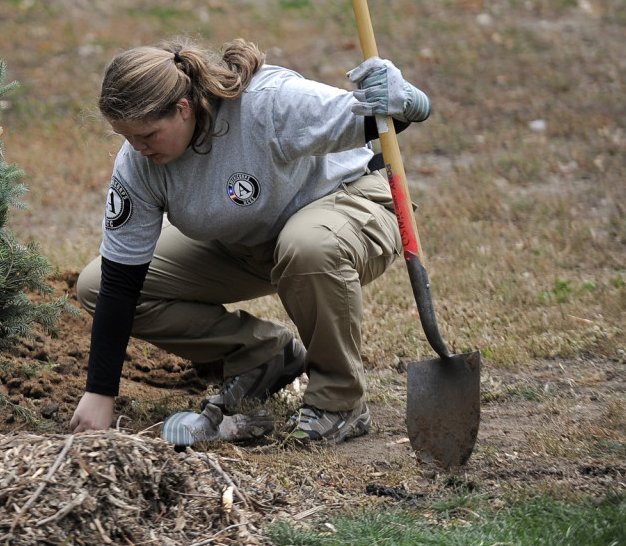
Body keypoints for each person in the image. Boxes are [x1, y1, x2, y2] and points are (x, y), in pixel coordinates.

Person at [68, 38, 433, 446]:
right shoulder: (139, 161)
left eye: (147, 134)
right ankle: (264, 354)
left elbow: (381, 119)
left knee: (308, 245)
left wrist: (407, 100)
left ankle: (339, 402)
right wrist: (100, 392)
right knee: (95, 285)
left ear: (184, 109)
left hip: (350, 206)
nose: (136, 146)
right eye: (127, 135)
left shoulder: (266, 103)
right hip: (251, 241)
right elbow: (120, 282)